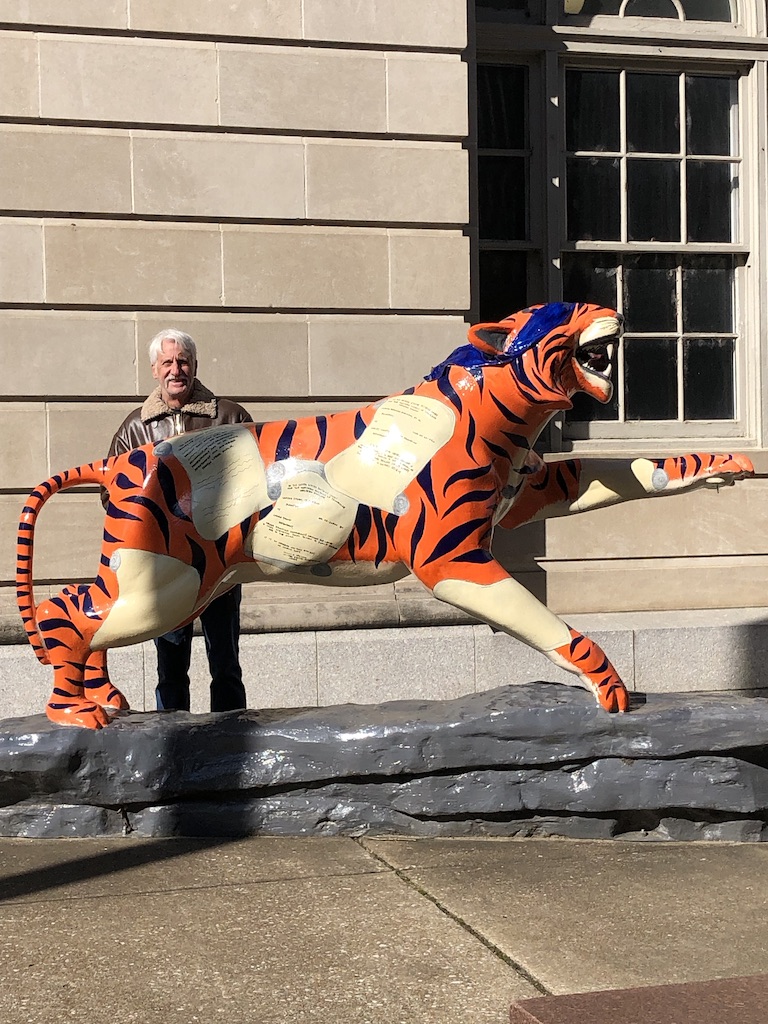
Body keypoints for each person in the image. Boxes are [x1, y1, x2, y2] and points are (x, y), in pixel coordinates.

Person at [106, 328, 252, 713]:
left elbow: (257, 480)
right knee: (171, 670)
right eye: (168, 362)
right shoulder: (134, 429)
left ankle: (231, 743)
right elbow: (111, 495)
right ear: (155, 369)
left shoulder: (230, 416)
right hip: (168, 570)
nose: (176, 369)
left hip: (221, 567)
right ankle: (175, 749)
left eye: (183, 361)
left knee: (226, 666)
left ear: (195, 366)